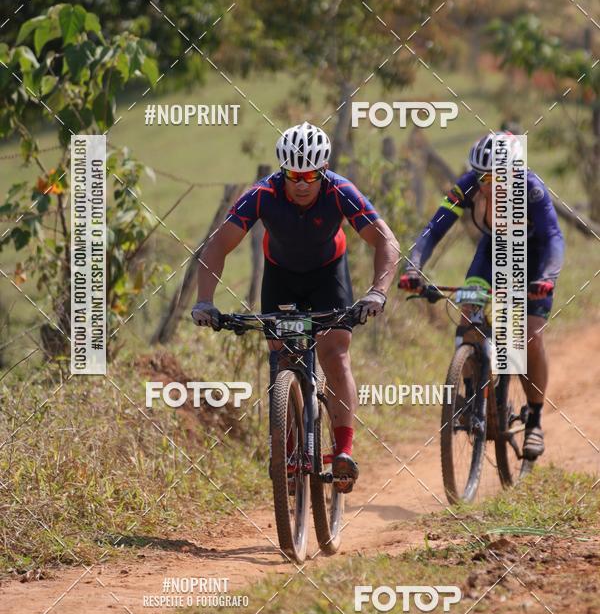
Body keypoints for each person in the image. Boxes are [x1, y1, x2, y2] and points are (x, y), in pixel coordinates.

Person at [192, 121, 399, 492]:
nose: (302, 184)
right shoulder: (262, 194)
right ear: (282, 171)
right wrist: (205, 301)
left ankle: (343, 451)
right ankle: (287, 450)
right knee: (281, 357)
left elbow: (386, 241)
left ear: (323, 172)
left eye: (310, 175)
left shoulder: (340, 190)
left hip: (328, 275)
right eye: (293, 175)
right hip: (281, 277)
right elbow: (217, 247)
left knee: (335, 354)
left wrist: (377, 292)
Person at [399, 131, 564, 460]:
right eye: (484, 176)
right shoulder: (468, 186)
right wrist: (414, 268)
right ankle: (473, 395)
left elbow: (554, 238)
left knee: (528, 336)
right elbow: (434, 228)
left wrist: (545, 277)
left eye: (500, 176)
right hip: (492, 255)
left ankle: (534, 420)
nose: (490, 184)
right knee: (468, 313)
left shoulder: (532, 190)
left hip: (533, 264)